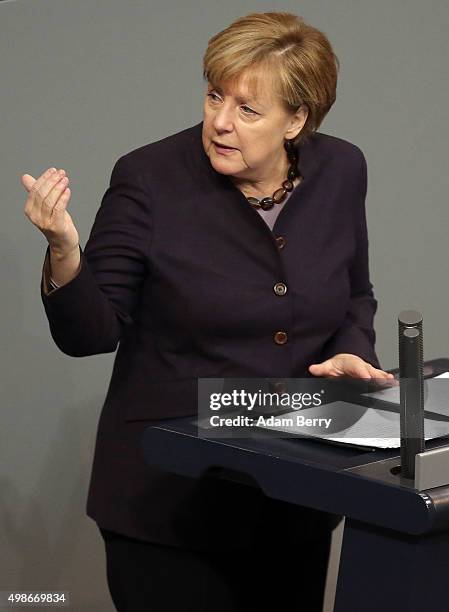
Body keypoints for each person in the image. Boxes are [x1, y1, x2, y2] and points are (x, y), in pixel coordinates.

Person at [21, 11, 393, 612]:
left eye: (248, 109)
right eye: (214, 95)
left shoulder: (342, 169)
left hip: (293, 495)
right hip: (169, 501)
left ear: (297, 120)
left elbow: (354, 293)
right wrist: (65, 252)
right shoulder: (147, 177)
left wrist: (351, 350)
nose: (220, 121)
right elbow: (92, 332)